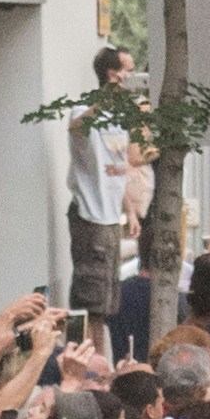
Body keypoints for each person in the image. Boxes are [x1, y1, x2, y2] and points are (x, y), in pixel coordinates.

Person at [68, 47, 135, 318]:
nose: (131, 78)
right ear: (112, 74)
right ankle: (85, 357)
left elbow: (118, 168)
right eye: (128, 71)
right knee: (90, 299)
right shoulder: (84, 109)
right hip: (90, 215)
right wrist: (103, 101)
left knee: (108, 299)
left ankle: (99, 357)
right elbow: (75, 128)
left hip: (110, 217)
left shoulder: (119, 119)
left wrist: (129, 210)